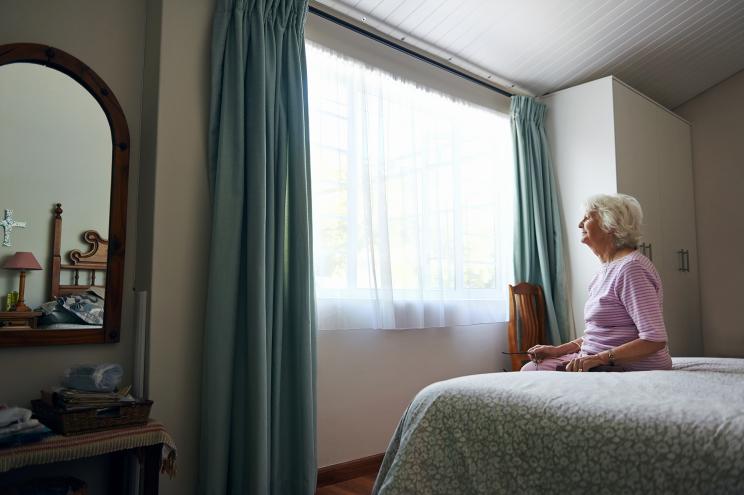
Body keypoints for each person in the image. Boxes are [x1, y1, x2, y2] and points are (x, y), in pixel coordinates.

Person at [522, 193, 672, 372]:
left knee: (531, 373)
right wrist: (557, 351)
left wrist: (599, 358)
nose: (579, 224)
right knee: (532, 368)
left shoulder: (632, 268)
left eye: (587, 218)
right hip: (595, 359)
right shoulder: (606, 270)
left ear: (610, 225)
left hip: (627, 365)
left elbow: (654, 339)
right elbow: (600, 334)